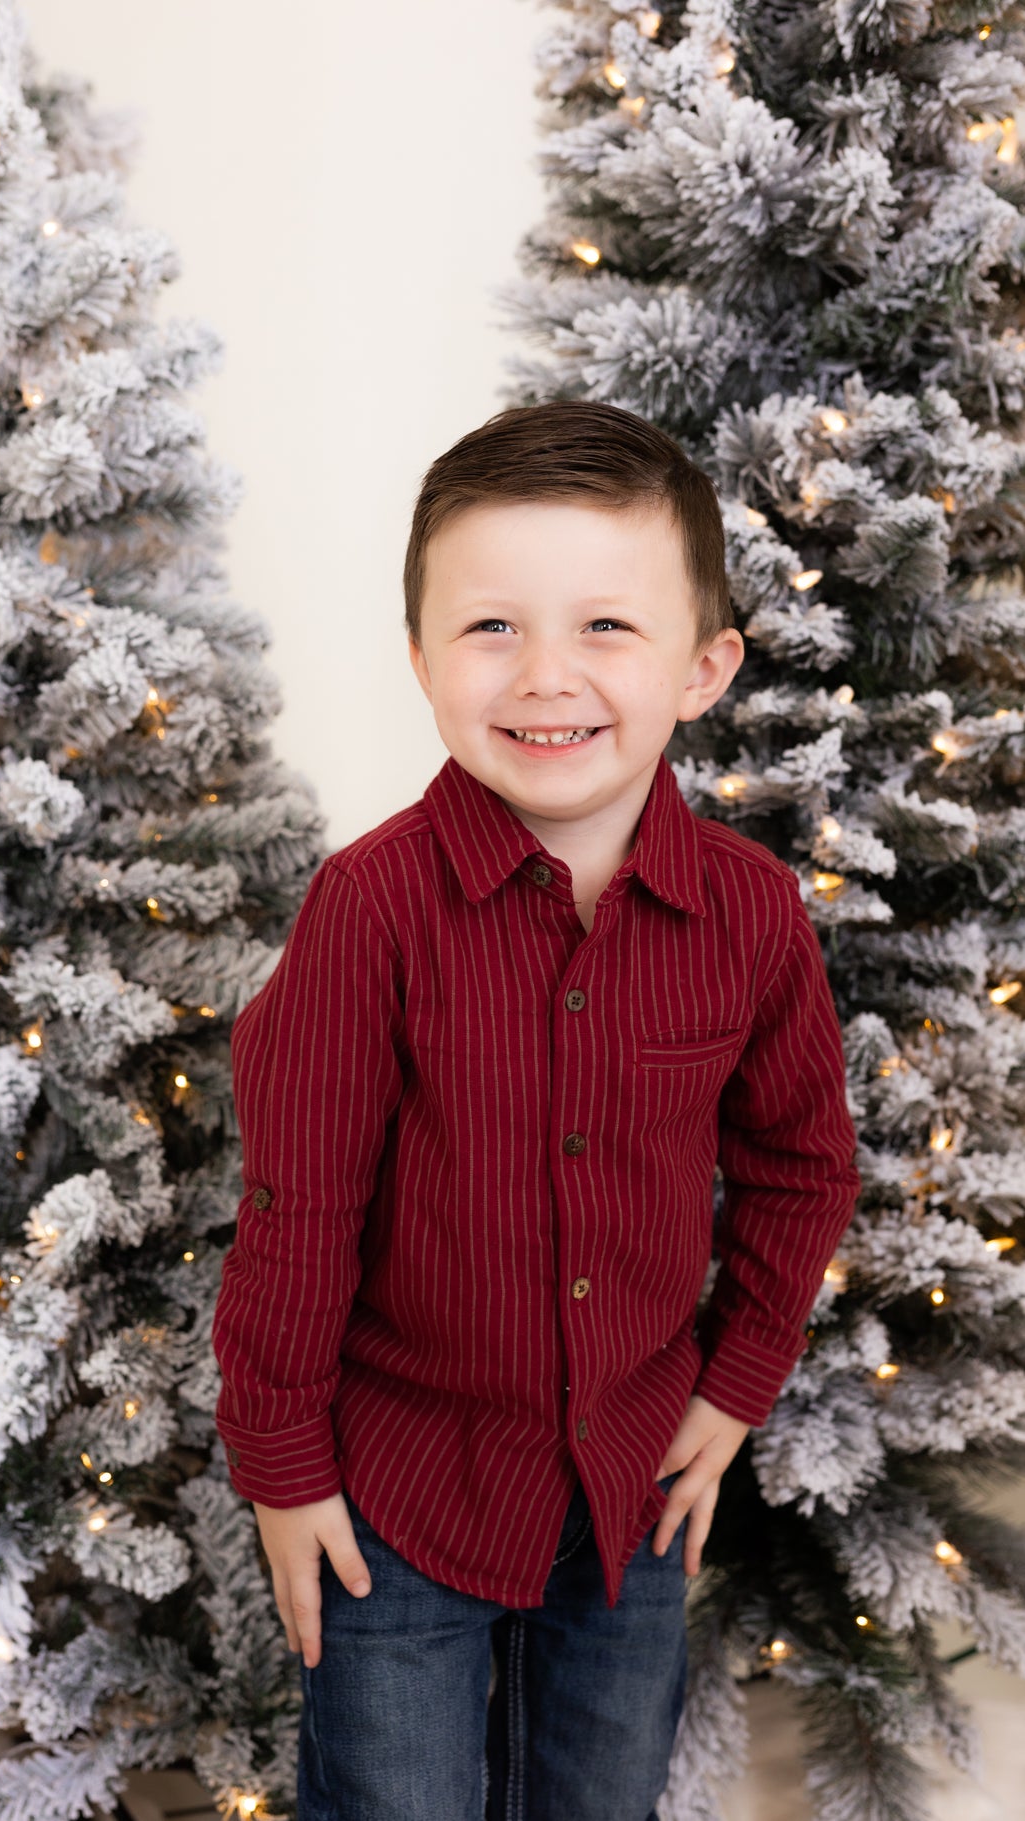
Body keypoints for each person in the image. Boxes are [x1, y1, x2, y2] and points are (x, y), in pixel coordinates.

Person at [211, 399, 861, 1820]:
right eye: (490, 627)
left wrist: (734, 1377)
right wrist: (282, 1468)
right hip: (394, 1497)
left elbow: (802, 1162)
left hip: (628, 1492)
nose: (544, 675)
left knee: (596, 1798)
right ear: (420, 659)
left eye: (605, 629)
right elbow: (296, 1208)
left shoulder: (747, 914)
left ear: (703, 667)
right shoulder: (368, 910)